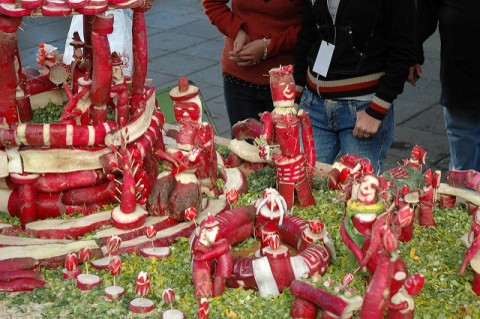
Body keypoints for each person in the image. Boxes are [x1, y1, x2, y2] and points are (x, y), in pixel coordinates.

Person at [293, 0, 416, 173]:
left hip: (362, 109)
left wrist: (377, 110)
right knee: (299, 187)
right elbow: (308, 34)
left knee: (361, 195)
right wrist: (296, 95)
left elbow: (403, 48)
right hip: (313, 105)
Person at [202, 0, 305, 129]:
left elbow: (310, 28)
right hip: (239, 78)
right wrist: (237, 31)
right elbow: (212, 3)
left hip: (286, 83)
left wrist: (269, 46)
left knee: (284, 146)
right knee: (243, 145)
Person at [409, 0, 480, 171]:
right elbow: (422, 16)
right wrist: (411, 53)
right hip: (461, 82)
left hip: (460, 76)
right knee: (463, 172)